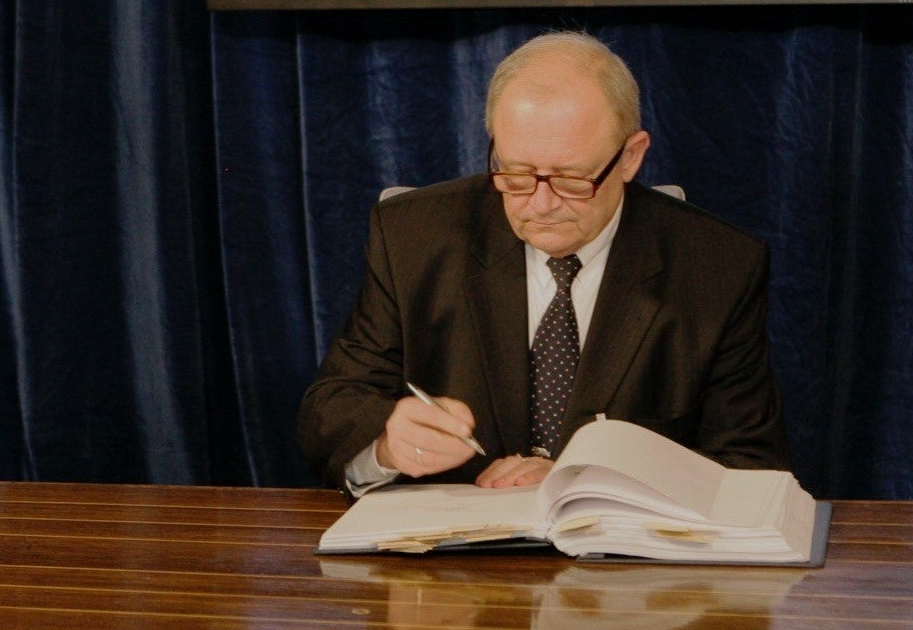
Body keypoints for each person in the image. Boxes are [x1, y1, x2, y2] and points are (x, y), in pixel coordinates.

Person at [299, 31, 789, 493]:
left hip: (625, 569)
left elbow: (747, 463)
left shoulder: (717, 266)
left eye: (572, 179)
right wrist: (387, 443)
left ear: (630, 157)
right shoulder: (413, 237)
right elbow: (331, 409)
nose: (540, 203)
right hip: (449, 564)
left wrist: (587, 480)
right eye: (515, 174)